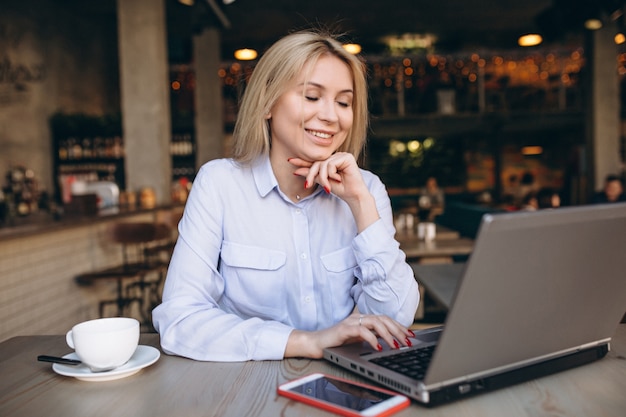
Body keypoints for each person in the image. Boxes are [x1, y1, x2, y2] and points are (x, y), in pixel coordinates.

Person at [152, 30, 420, 362]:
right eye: (311, 96)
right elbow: (180, 320)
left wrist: (360, 204)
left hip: (345, 383)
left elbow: (395, 319)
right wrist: (308, 342)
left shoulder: (366, 189)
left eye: (343, 102)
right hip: (241, 385)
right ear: (267, 102)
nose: (331, 116)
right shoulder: (219, 184)